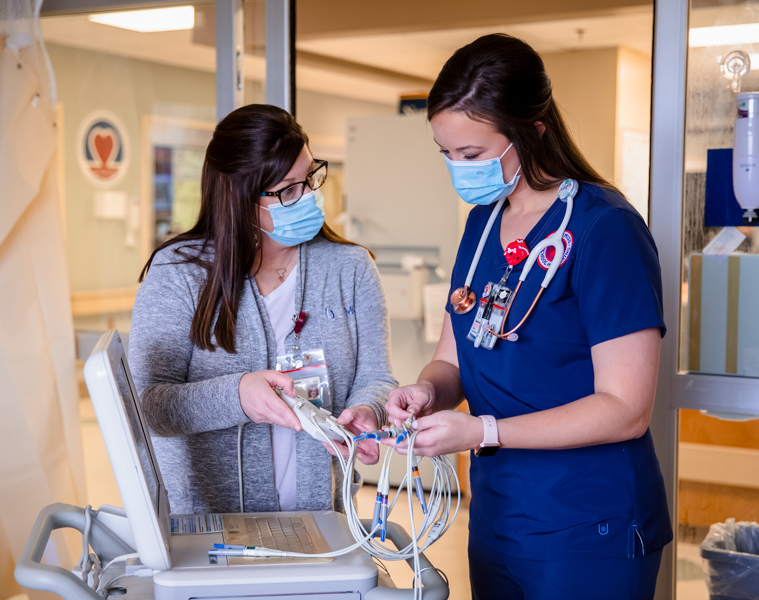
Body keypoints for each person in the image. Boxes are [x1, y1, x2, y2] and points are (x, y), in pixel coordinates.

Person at [385, 34, 672, 600]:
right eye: (446, 153)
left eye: (471, 155)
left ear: (532, 130)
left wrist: (483, 431)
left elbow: (626, 409)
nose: (457, 169)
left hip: (590, 521)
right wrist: (425, 393)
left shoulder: (604, 229)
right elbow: (453, 360)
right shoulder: (483, 226)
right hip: (499, 516)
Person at [129, 104, 396, 516]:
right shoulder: (179, 273)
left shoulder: (350, 267)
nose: (308, 195)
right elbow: (150, 405)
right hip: (209, 527)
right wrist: (238, 396)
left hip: (323, 517)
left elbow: (376, 377)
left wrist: (367, 410)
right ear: (237, 196)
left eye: (311, 177)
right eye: (288, 190)